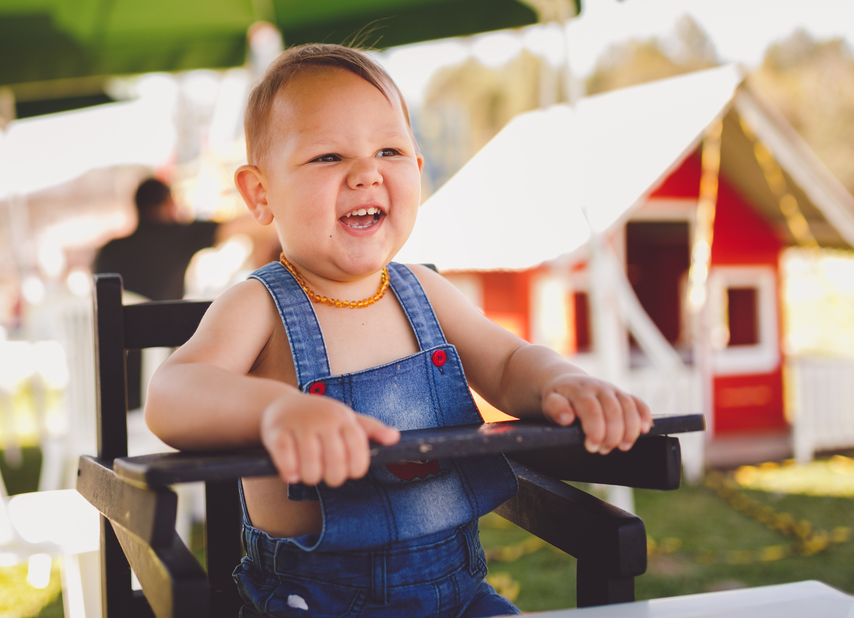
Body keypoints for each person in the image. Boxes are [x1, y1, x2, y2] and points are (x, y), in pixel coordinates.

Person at [144, 44, 652, 618]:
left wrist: (561, 381)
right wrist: (273, 412)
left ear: (417, 169)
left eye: (389, 150)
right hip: (313, 604)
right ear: (261, 194)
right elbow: (171, 393)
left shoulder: (424, 292)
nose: (367, 173)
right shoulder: (260, 306)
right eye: (328, 156)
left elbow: (509, 365)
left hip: (458, 597)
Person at [93, 177, 275, 302]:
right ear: (168, 204)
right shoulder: (176, 236)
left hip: (111, 345)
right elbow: (243, 227)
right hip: (158, 342)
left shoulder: (108, 249)